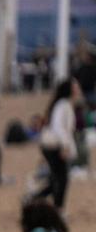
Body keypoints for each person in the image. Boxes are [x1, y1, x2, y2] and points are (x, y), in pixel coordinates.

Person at [35, 78, 80, 210]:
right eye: (75, 86)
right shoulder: (63, 105)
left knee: (56, 178)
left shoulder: (65, 104)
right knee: (61, 179)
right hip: (54, 146)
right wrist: (65, 146)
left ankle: (35, 199)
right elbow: (59, 127)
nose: (78, 89)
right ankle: (57, 208)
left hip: (54, 145)